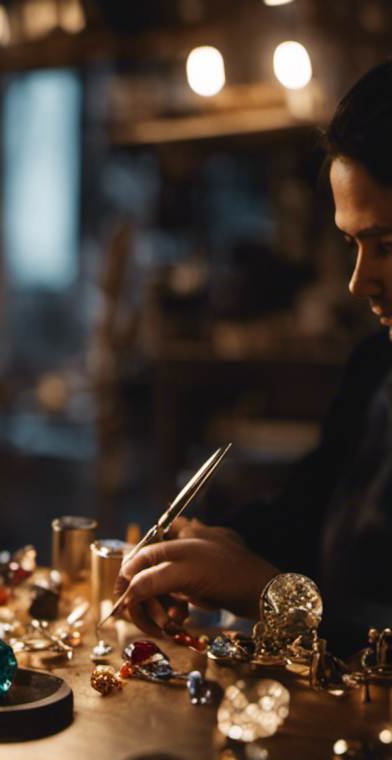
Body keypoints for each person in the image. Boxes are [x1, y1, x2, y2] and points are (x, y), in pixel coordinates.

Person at [114, 58, 392, 654]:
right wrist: (216, 545)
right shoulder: (376, 365)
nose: (359, 282)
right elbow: (304, 515)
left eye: (387, 246)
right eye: (352, 245)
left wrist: (272, 596)